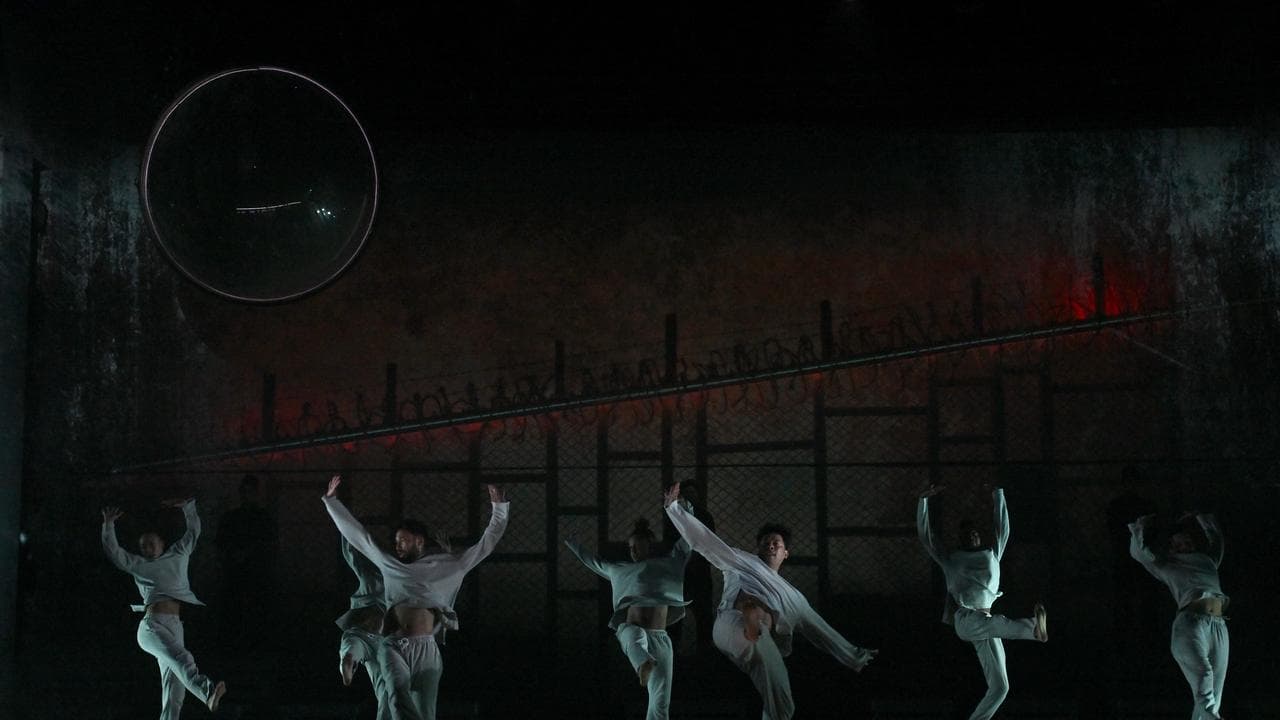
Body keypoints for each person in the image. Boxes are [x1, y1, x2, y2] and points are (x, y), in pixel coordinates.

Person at [663, 483, 876, 720]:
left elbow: (821, 631)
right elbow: (706, 542)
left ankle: (756, 618)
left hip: (761, 640)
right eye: (765, 542)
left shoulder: (796, 598)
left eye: (776, 543)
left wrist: (854, 655)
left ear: (786, 553)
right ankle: (751, 614)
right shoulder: (741, 561)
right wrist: (674, 510)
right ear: (758, 548)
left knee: (783, 704)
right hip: (730, 624)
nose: (771, 545)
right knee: (753, 618)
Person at [322, 475, 508, 720]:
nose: (397, 546)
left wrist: (499, 507)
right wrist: (332, 502)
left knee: (424, 712)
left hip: (426, 650)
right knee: (398, 699)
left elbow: (487, 543)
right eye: (396, 541)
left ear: (419, 542)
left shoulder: (449, 566)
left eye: (403, 541)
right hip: (392, 646)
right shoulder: (390, 565)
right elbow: (360, 538)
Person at [916, 485, 1047, 720]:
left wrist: (999, 494)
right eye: (966, 534)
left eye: (974, 532)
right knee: (998, 623)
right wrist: (922, 502)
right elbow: (927, 539)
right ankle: (1033, 628)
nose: (972, 535)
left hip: (985, 623)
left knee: (1000, 687)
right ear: (961, 539)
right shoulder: (952, 561)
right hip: (966, 619)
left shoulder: (991, 555)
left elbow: (1003, 530)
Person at [101, 498, 227, 718]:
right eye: (142, 546)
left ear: (161, 543)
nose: (147, 548)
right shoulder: (138, 565)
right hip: (151, 626)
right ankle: (206, 692)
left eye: (151, 543)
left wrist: (188, 507)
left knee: (174, 692)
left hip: (175, 625)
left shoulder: (178, 554)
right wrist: (108, 525)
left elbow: (193, 531)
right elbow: (114, 552)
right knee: (182, 658)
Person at [565, 516, 692, 720]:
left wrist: (683, 511)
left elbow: (686, 543)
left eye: (638, 546)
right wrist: (573, 543)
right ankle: (643, 663)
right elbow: (595, 562)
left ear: (649, 546)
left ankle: (646, 664)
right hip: (632, 629)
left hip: (659, 636)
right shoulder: (621, 570)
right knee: (631, 635)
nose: (632, 551)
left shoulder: (667, 565)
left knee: (660, 701)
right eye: (630, 547)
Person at [1129, 511, 1229, 720]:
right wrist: (1140, 526)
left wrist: (1200, 517)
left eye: (1187, 541)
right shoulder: (1167, 565)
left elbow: (1216, 539)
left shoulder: (1207, 560)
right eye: (1179, 543)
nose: (1184, 545)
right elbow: (1140, 553)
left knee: (1212, 699)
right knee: (1204, 682)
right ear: (1172, 548)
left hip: (1219, 626)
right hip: (1190, 625)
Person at [335, 531, 388, 716]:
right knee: (351, 649)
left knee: (386, 690)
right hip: (362, 634)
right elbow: (351, 555)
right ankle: (347, 662)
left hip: (382, 640)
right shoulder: (371, 576)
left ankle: (348, 659)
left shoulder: (398, 579)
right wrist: (347, 530)